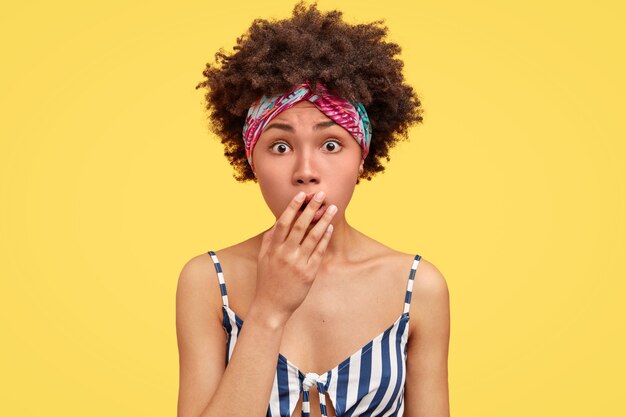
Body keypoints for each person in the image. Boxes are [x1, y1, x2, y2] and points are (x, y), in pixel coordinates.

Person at [176, 2, 451, 417]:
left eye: (331, 145)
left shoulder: (420, 288)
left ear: (363, 156)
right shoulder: (207, 283)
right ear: (252, 160)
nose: (306, 171)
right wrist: (269, 309)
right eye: (280, 146)